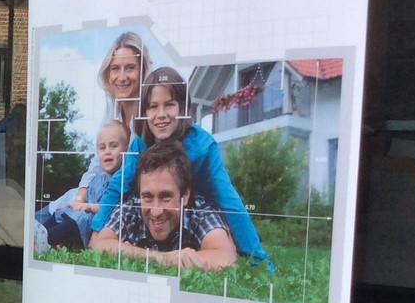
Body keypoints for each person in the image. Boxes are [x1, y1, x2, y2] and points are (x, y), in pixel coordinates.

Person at [90, 66, 269, 267]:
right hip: (152, 219)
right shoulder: (139, 144)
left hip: (193, 214)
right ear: (144, 112)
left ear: (182, 108)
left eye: (169, 105)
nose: (161, 114)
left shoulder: (203, 145)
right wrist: (97, 231)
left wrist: (258, 259)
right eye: (153, 106)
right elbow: (118, 186)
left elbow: (227, 199)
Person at [89, 140, 236, 271]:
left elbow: (226, 257)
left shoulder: (200, 211)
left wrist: (130, 252)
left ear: (185, 195)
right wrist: (163, 258)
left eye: (166, 197)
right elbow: (99, 245)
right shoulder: (131, 208)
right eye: (147, 197)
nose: (156, 211)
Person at [36, 120, 129, 249]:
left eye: (113, 146)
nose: (107, 151)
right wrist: (75, 206)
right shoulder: (97, 178)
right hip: (82, 216)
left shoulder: (122, 180)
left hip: (94, 225)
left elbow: (112, 208)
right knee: (63, 212)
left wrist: (88, 207)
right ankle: (38, 233)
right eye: (102, 148)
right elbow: (85, 200)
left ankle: (45, 239)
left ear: (126, 150)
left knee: (78, 220)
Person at [96, 30, 150, 130]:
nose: (122, 78)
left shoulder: (152, 113)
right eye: (115, 68)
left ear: (143, 71)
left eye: (130, 68)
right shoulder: (110, 112)